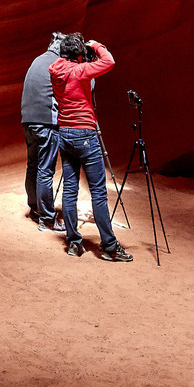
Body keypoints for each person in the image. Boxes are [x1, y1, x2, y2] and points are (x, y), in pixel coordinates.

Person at [49, 34, 132, 262]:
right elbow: (109, 61)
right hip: (85, 134)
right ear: (78, 55)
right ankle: (109, 247)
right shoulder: (79, 71)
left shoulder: (55, 69)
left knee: (69, 190)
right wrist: (95, 45)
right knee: (98, 192)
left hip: (64, 133)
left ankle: (74, 243)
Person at [21, 34, 65, 228]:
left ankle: (34, 208)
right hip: (45, 123)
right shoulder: (58, 63)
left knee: (33, 165)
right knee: (45, 170)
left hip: (27, 121)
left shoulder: (38, 59)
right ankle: (47, 219)